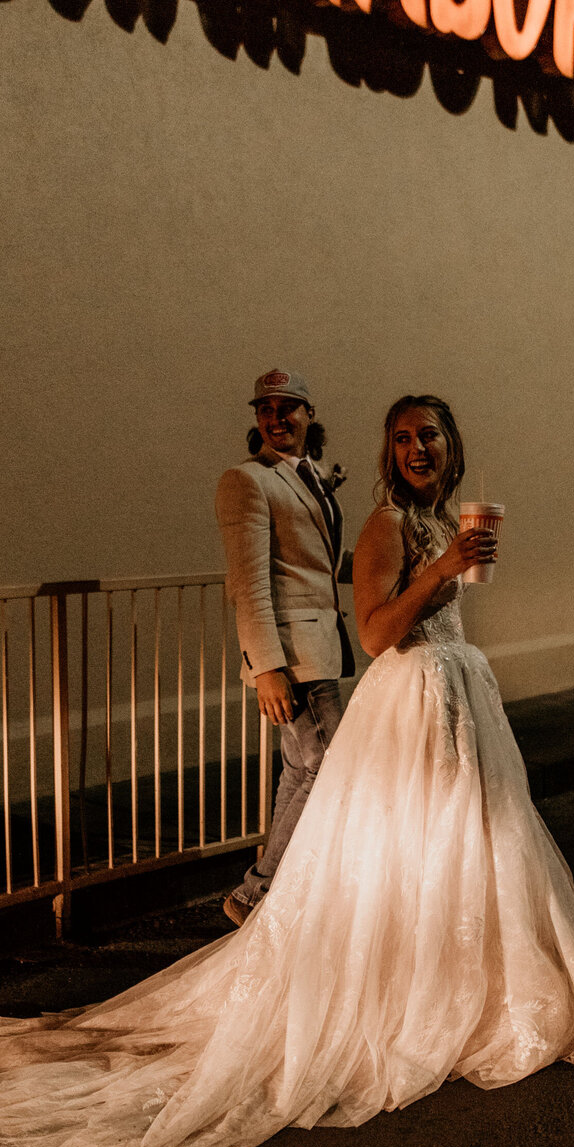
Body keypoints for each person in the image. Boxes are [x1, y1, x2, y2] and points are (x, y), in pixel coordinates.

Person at [0, 395, 574, 1147]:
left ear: (452, 447)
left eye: (429, 435)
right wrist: (445, 570)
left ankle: (469, 985)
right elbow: (380, 632)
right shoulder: (387, 525)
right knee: (406, 851)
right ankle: (386, 982)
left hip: (462, 701)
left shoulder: (449, 517)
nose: (416, 446)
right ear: (390, 455)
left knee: (472, 847)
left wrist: (457, 557)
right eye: (402, 438)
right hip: (413, 702)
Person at [214, 370, 353, 929]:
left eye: (287, 407)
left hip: (318, 646)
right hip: (291, 657)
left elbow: (315, 567)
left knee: (300, 770)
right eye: (265, 409)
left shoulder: (312, 476)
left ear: (309, 413)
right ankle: (260, 891)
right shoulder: (247, 480)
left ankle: (260, 889)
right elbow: (249, 582)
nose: (276, 417)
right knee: (331, 766)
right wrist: (266, 667)